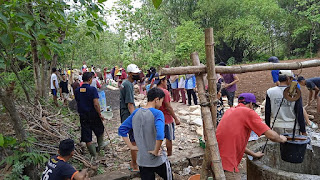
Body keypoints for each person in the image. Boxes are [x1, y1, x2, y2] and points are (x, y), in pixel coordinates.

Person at [216, 93, 287, 179]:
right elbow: (271, 136)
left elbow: (235, 142)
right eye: (254, 107)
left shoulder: (230, 111)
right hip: (228, 164)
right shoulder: (248, 112)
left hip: (217, 159)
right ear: (250, 104)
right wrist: (281, 138)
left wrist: (253, 154)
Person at [118, 88, 173, 180]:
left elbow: (121, 130)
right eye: (161, 101)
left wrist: (131, 147)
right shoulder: (158, 113)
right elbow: (160, 134)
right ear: (157, 100)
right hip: (158, 159)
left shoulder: (136, 112)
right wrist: (155, 151)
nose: (161, 104)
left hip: (143, 160)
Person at [265, 70, 306, 135]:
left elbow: (267, 111)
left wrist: (267, 128)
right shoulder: (296, 92)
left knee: (279, 145)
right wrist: (303, 130)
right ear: (288, 78)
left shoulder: (270, 92)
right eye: (292, 79)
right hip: (293, 127)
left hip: (277, 126)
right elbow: (299, 112)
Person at [74, 72, 105, 158]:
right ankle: (100, 148)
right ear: (89, 79)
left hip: (83, 115)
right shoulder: (92, 89)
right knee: (100, 130)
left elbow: (78, 101)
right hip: (93, 114)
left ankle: (94, 155)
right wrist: (100, 114)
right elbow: (96, 103)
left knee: (87, 136)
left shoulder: (77, 91)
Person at [119, 64, 141, 171]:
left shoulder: (126, 83)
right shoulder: (128, 85)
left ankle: (134, 163)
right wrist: (135, 118)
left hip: (125, 114)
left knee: (134, 139)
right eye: (135, 74)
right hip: (128, 115)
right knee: (134, 141)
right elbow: (130, 104)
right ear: (129, 74)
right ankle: (135, 165)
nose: (137, 75)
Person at [154, 73, 180, 156]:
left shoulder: (153, 91)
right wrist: (175, 118)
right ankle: (169, 155)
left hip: (156, 118)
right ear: (162, 81)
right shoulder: (165, 92)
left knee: (158, 137)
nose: (166, 83)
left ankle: (157, 152)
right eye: (165, 81)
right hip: (166, 118)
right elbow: (168, 106)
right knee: (169, 138)